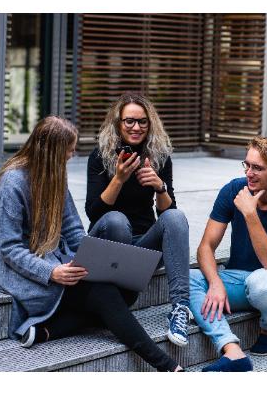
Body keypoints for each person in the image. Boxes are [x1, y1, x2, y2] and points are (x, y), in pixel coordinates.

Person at [0, 116, 183, 372]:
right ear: (50, 151)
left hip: (61, 264)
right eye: (68, 151)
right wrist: (52, 272)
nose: (71, 155)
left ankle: (49, 330)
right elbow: (9, 248)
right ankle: (166, 365)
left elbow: (73, 230)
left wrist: (93, 258)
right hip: (28, 275)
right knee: (106, 295)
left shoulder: (54, 175)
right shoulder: (11, 184)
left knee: (126, 291)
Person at [189, 136, 267, 372]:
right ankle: (231, 350)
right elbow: (206, 246)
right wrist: (215, 283)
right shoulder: (233, 189)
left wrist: (250, 213)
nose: (249, 173)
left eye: (257, 168)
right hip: (236, 278)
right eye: (247, 165)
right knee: (187, 279)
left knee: (261, 283)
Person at [85, 93, 192, 347]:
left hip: (143, 247)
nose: (136, 127)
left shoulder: (159, 156)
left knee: (176, 217)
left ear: (150, 123)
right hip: (108, 242)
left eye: (142, 122)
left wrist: (160, 187)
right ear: (118, 123)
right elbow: (94, 213)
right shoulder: (100, 156)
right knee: (117, 220)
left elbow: (168, 215)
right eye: (129, 121)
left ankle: (180, 309)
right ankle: (116, 300)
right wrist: (119, 178)